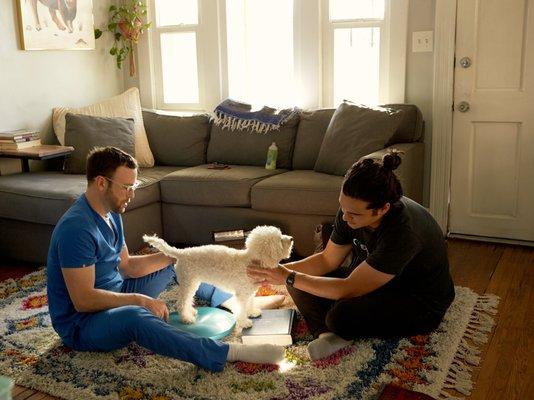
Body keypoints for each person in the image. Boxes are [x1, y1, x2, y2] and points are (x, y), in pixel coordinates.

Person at [46, 146, 284, 372]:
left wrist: (177, 256)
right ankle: (227, 352)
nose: (132, 194)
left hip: (116, 290)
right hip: (82, 324)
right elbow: (83, 301)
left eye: (134, 185)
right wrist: (139, 300)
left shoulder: (112, 212)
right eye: (126, 187)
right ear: (101, 183)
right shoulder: (76, 229)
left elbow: (128, 266)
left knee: (178, 264)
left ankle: (229, 302)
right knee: (136, 316)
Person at [247, 151, 455, 360]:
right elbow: (327, 260)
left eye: (354, 214)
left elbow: (349, 288)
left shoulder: (404, 232)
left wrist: (288, 276)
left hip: (417, 301)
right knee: (299, 282)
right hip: (372, 279)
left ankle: (338, 328)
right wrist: (275, 272)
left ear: (383, 209)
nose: (345, 217)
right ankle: (327, 335)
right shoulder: (350, 211)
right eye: (342, 207)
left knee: (341, 314)